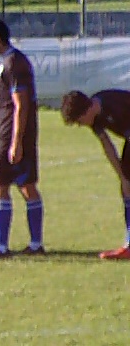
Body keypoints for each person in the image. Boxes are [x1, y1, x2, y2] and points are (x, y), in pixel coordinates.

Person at [0, 19, 44, 256]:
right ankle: (34, 244)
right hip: (12, 133)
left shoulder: (14, 63)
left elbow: (21, 105)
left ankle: (1, 246)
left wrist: (15, 141)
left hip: (11, 135)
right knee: (25, 185)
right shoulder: (9, 62)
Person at [59, 89, 130, 259]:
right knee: (127, 187)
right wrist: (122, 177)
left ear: (86, 111)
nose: (80, 125)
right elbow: (107, 145)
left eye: (78, 121)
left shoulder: (115, 106)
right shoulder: (94, 118)